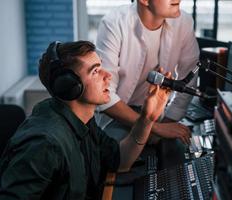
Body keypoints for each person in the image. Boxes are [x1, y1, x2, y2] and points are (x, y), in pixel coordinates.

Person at [0, 41, 171, 199]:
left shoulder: (83, 121)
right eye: (95, 71)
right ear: (68, 85)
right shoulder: (44, 145)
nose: (108, 76)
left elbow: (120, 161)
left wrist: (147, 119)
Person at [95, 0, 200, 144]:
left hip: (158, 114)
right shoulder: (114, 23)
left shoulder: (184, 22)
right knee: (118, 158)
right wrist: (156, 128)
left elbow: (189, 77)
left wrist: (168, 122)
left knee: (176, 152)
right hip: (118, 116)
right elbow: (104, 94)